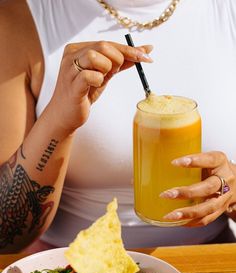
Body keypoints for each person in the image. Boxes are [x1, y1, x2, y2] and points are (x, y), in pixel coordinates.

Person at [0, 0, 236, 254]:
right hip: (73, 269)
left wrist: (231, 193)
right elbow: (5, 235)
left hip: (211, 264)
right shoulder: (21, 18)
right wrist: (58, 120)